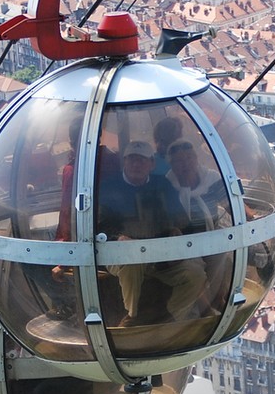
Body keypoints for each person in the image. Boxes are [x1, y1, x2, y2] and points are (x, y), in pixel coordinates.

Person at [94, 140, 204, 326]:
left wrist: (175, 230)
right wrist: (117, 237)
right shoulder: (108, 188)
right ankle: (133, 316)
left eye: (142, 160)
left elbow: (180, 217)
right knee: (133, 263)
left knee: (195, 274)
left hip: (159, 253)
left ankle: (173, 316)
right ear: (125, 162)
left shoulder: (162, 185)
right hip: (120, 254)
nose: (137, 165)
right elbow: (96, 225)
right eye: (132, 160)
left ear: (152, 164)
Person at [165, 138, 229, 233]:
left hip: (213, 237)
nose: (186, 163)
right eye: (179, 160)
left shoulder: (212, 179)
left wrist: (251, 216)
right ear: (171, 164)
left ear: (196, 159)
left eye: (189, 157)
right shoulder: (166, 186)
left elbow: (229, 204)